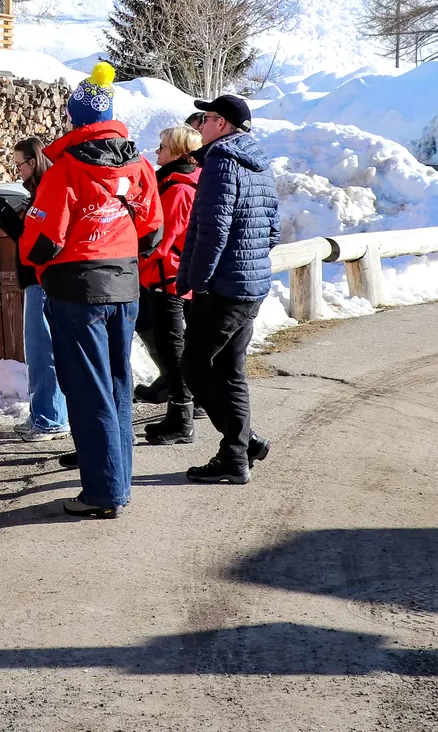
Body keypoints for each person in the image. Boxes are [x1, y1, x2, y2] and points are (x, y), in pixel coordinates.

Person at [19, 62, 163, 520]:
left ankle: (102, 491)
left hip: (78, 288)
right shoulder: (139, 164)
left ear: (75, 120)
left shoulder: (65, 170)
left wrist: (23, 236)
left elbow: (43, 241)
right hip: (125, 283)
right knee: (119, 383)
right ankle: (117, 483)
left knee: (87, 389)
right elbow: (153, 230)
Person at [176, 94, 280, 485]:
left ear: (221, 124)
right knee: (230, 370)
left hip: (223, 287)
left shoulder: (221, 161)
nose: (198, 126)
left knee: (193, 366)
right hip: (251, 284)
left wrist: (198, 282)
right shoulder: (259, 162)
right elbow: (272, 231)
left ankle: (243, 445)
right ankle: (238, 455)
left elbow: (211, 229)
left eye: (205, 118)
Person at [0, 138, 68, 442]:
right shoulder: (42, 190)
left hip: (41, 281)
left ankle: (50, 418)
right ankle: (45, 414)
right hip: (40, 281)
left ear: (33, 162)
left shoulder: (46, 191)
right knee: (40, 351)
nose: (17, 170)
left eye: (19, 163)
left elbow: (34, 243)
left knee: (42, 351)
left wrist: (4, 215)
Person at [138, 123, 203, 446]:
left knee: (172, 349)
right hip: (173, 277)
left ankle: (181, 418)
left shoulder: (177, 189)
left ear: (178, 151)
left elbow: (162, 240)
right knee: (175, 346)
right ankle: (183, 411)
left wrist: (136, 257)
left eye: (162, 146)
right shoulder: (184, 181)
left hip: (167, 279)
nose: (157, 151)